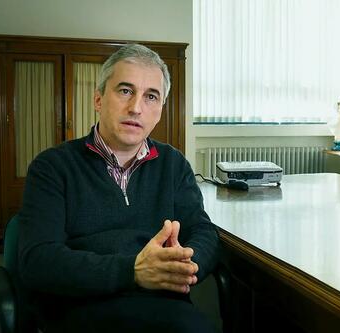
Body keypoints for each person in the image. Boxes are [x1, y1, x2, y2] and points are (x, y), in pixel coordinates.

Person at [18, 44, 219, 333]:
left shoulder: (173, 164)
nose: (136, 107)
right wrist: (133, 271)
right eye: (125, 91)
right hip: (80, 306)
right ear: (98, 99)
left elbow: (203, 231)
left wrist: (183, 265)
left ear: (160, 111)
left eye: (151, 96)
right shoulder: (53, 167)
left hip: (165, 308)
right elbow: (37, 260)